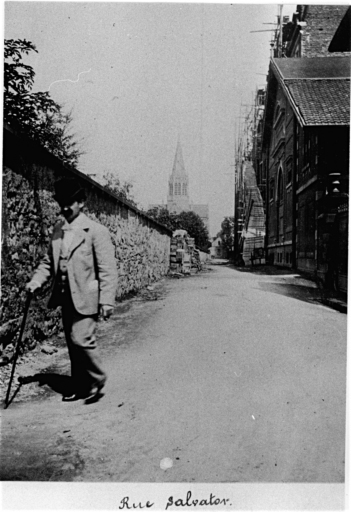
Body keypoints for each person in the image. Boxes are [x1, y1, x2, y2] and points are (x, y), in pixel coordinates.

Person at [26, 177, 117, 403]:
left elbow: (107, 269)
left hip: (87, 296)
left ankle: (98, 377)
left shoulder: (96, 231)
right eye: (62, 203)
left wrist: (107, 301)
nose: (65, 208)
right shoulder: (59, 229)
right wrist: (36, 281)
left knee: (81, 340)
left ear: (81, 203)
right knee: (72, 344)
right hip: (66, 297)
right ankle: (81, 386)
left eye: (71, 203)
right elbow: (48, 262)